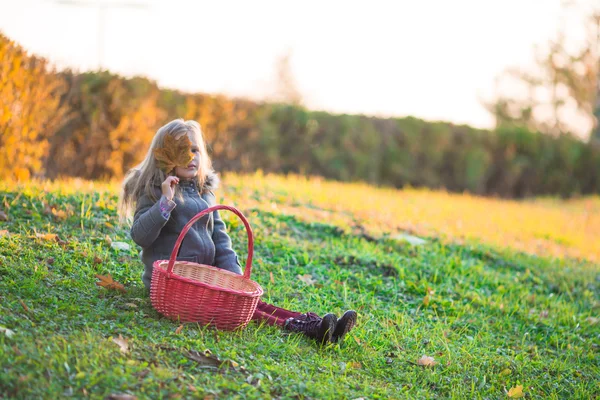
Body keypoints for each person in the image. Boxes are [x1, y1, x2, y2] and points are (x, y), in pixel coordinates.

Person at [118, 118, 357, 345]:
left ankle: (316, 322)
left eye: (196, 150)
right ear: (165, 155)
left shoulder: (204, 192)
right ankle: (304, 327)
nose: (191, 157)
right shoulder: (155, 192)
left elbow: (220, 238)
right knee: (244, 311)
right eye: (181, 149)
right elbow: (140, 235)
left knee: (249, 303)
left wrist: (235, 278)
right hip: (175, 286)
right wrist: (165, 203)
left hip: (206, 279)